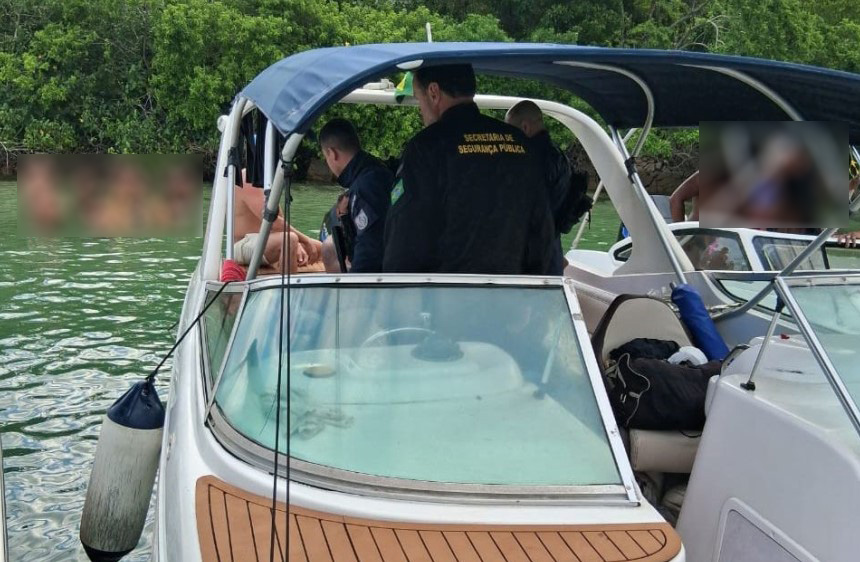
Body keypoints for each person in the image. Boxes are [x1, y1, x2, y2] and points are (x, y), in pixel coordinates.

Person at [383, 64, 554, 274]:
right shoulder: (521, 143)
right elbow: (542, 232)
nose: (421, 111)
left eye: (419, 100)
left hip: (448, 297)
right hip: (513, 296)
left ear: (433, 93)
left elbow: (405, 237)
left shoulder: (427, 146)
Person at [505, 100, 572, 274]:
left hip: (528, 257)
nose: (509, 137)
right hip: (551, 251)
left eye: (510, 131)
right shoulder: (559, 156)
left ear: (525, 127)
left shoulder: (527, 159)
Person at [319, 118, 394, 272]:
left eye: (326, 158)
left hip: (381, 279)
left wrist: (353, 288)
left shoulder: (366, 186)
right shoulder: (374, 171)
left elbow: (370, 251)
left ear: (331, 154)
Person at [232, 171, 322, 273]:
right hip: (242, 244)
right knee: (289, 239)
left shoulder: (266, 179)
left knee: (322, 248)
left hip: (267, 241)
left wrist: (300, 243)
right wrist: (305, 240)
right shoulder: (247, 178)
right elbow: (273, 222)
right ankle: (289, 286)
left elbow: (279, 218)